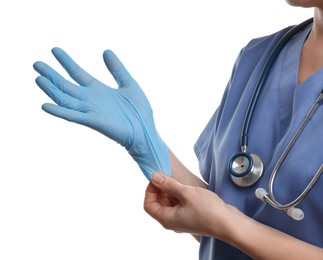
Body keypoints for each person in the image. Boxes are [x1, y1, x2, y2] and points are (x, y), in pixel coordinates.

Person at [33, 0, 323, 259]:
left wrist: (228, 225)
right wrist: (148, 144)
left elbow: (229, 223)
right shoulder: (258, 57)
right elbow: (223, 221)